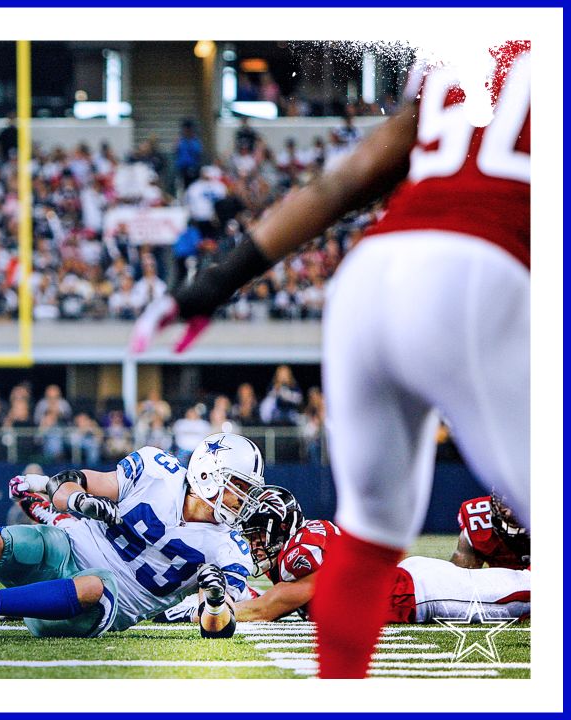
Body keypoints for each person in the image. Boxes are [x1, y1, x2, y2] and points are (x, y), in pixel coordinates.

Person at [163, 43, 530, 677]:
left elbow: (348, 177)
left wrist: (216, 281)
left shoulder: (462, 45)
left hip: (370, 274)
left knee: (369, 542)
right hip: (482, 267)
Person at [0, 433, 262, 638]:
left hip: (103, 603)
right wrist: (78, 501)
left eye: (245, 489)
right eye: (237, 484)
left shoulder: (231, 548)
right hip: (71, 544)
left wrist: (212, 602)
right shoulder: (157, 470)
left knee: (97, 583)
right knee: (10, 539)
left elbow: (217, 631)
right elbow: (73, 481)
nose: (241, 497)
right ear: (207, 473)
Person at [155, 486, 530, 626]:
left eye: (255, 535)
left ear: (277, 529)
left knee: (530, 591)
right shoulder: (296, 550)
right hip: (410, 589)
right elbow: (273, 600)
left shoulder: (301, 553)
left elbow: (269, 607)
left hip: (418, 593)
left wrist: (201, 610)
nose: (251, 544)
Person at [451, 493, 529, 570]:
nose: (509, 513)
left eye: (519, 506)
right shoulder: (479, 519)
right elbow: (460, 577)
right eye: (505, 504)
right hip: (502, 580)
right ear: (495, 502)